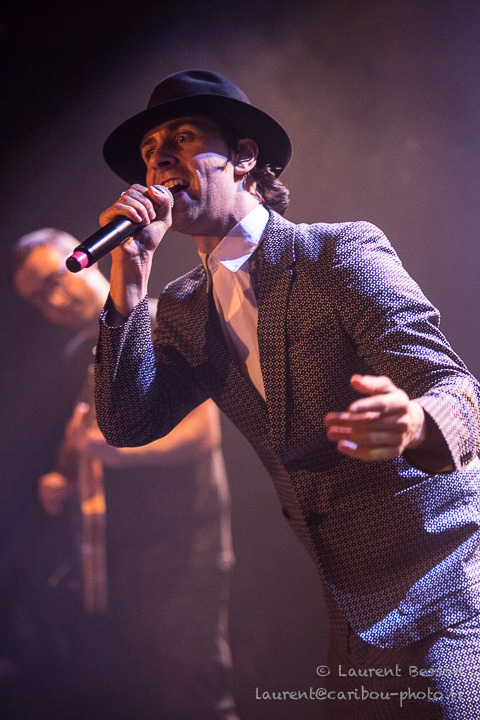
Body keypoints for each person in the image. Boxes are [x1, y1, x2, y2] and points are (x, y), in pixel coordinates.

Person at [93, 69, 480, 719]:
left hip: (450, 588)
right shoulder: (184, 308)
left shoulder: (335, 253)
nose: (159, 159)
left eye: (183, 138)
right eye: (150, 149)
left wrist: (415, 422)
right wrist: (129, 289)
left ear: (244, 156)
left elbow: (458, 388)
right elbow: (127, 423)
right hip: (354, 612)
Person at [10, 228, 239, 720]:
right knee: (146, 693)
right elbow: (82, 435)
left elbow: (201, 435)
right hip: (124, 549)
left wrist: (114, 455)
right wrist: (61, 477)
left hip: (183, 542)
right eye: (38, 298)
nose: (53, 301)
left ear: (84, 258)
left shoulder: (153, 321)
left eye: (54, 281)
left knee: (191, 693)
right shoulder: (78, 354)